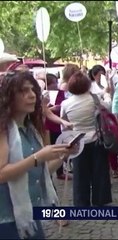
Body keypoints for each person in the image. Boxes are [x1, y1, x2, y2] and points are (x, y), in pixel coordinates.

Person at [0, 71, 76, 239]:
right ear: (9, 97)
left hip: (30, 215)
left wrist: (63, 155)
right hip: (6, 219)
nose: (32, 95)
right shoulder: (3, 129)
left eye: (33, 90)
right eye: (24, 91)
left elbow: (42, 171)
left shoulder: (32, 129)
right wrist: (37, 158)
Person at [61, 71, 112, 207]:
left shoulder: (65, 104)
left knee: (79, 175)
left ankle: (81, 202)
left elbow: (64, 124)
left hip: (77, 141)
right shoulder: (93, 99)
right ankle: (100, 199)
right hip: (95, 139)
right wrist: (107, 95)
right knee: (99, 172)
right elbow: (108, 106)